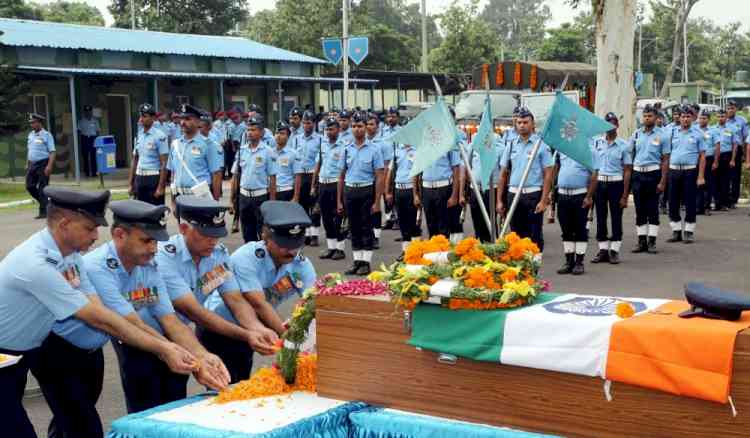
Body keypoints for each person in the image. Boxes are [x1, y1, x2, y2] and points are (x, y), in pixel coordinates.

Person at [0, 187, 197, 437]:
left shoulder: (71, 256)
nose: (96, 235)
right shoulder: (36, 264)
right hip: (5, 353)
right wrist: (166, 349)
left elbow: (96, 307)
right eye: (90, 227)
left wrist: (173, 348)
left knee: (67, 421)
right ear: (64, 224)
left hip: (25, 350)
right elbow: (100, 320)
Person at [85, 199, 230, 414]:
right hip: (95, 343)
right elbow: (131, 323)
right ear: (119, 235)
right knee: (142, 411)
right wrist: (190, 359)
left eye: (155, 241)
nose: (154, 248)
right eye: (146, 241)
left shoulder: (149, 263)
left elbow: (170, 320)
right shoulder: (98, 267)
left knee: (174, 408)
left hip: (138, 336)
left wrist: (201, 355)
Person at [157, 196, 278, 384]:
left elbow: (235, 300)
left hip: (180, 335)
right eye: (206, 234)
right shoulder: (165, 257)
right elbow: (193, 311)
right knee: (147, 403)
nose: (213, 241)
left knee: (176, 395)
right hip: (147, 334)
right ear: (184, 229)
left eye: (217, 234)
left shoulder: (217, 254)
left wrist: (258, 329)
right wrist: (247, 335)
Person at [205, 201, 316, 376]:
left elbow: (314, 304)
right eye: (283, 243)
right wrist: (291, 342)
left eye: (296, 243)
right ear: (265, 236)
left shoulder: (301, 265)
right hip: (219, 326)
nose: (291, 250)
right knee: (223, 387)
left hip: (253, 328)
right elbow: (258, 304)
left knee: (241, 379)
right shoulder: (247, 257)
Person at [496, 107, 554, 256]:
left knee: (534, 234)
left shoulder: (541, 145)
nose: (522, 125)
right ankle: (520, 265)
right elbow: (503, 174)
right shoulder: (510, 145)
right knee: (516, 234)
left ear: (532, 124)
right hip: (513, 194)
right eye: (519, 122)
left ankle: (534, 264)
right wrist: (499, 200)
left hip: (533, 194)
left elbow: (548, 174)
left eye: (525, 122)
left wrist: (544, 200)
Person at [337, 111, 385, 276]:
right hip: (350, 190)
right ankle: (357, 261)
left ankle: (366, 262)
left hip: (366, 190)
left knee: (366, 227)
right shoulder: (346, 149)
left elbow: (380, 176)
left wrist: (377, 201)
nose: (357, 129)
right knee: (354, 227)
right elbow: (342, 176)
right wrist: (339, 200)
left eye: (360, 126)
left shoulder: (374, 149)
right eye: (354, 126)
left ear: (365, 128)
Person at [591, 113, 632, 265]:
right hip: (600, 184)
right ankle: (602, 250)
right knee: (600, 217)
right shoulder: (597, 143)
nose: (610, 127)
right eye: (607, 124)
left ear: (617, 126)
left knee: (616, 218)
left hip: (616, 184)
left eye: (613, 124)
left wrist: (625, 194)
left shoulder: (624, 145)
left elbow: (627, 170)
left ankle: (614, 250)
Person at [629, 105, 670, 254]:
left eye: (650, 116)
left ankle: (652, 241)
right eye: (645, 116)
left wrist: (663, 181)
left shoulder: (663, 135)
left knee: (652, 209)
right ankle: (641, 242)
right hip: (638, 175)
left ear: (656, 117)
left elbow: (665, 160)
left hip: (654, 175)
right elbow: (629, 154)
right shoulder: (636, 134)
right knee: (639, 209)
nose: (647, 118)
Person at [554, 141, 598, 275]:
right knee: (566, 229)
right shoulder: (562, 149)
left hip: (580, 195)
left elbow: (594, 175)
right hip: (562, 194)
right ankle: (569, 261)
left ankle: (579, 262)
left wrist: (589, 196)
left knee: (580, 230)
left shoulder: (589, 150)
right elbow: (556, 169)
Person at [665, 106, 706, 244]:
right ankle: (676, 231)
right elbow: (667, 154)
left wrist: (700, 176)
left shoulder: (698, 133)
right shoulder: (672, 132)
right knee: (673, 201)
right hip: (674, 170)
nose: (685, 119)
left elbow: (702, 156)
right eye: (683, 116)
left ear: (692, 118)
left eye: (688, 116)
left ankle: (689, 231)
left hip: (690, 171)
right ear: (679, 118)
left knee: (690, 201)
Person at [233, 116, 277, 243]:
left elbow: (272, 177)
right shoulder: (241, 151)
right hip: (244, 197)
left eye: (253, 129)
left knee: (262, 233)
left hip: (260, 198)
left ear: (261, 132)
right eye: (248, 130)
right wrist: (233, 198)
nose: (250, 132)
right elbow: (236, 175)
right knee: (247, 233)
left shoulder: (268, 151)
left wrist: (272, 202)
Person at [166, 104, 223, 202]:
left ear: (198, 122)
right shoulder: (175, 144)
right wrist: (173, 201)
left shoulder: (208, 145)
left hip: (200, 197)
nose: (183, 122)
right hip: (180, 196)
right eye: (182, 119)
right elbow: (173, 174)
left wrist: (215, 203)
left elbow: (216, 175)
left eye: (188, 119)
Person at [313, 117, 346, 260]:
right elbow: (318, 164)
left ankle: (340, 248)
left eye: (331, 129)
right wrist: (314, 184)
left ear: (338, 130)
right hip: (323, 184)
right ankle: (331, 247)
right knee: (326, 217)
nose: (328, 132)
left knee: (337, 217)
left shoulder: (344, 146)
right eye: (327, 129)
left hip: (335, 184)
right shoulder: (323, 145)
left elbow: (344, 170)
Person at [129, 103, 169, 205]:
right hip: (139, 178)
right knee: (140, 212)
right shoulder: (139, 135)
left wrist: (161, 187)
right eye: (141, 116)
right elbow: (135, 159)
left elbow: (164, 163)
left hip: (153, 178)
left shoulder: (160, 136)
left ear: (153, 118)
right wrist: (131, 183)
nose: (141, 119)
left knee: (155, 213)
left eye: (145, 116)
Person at [293, 111, 323, 247]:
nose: (306, 125)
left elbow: (321, 160)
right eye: (304, 123)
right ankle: (306, 233)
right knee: (302, 206)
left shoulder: (320, 139)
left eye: (309, 123)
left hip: (313, 175)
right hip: (300, 175)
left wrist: (316, 180)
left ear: (314, 124)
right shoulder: (296, 139)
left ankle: (315, 234)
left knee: (314, 206)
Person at [25, 113, 56, 219]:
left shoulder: (47, 135)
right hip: (32, 164)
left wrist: (49, 166)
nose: (32, 125)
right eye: (31, 123)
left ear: (39, 123)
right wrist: (27, 164)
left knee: (43, 188)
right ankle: (46, 204)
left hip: (43, 163)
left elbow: (52, 152)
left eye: (33, 122)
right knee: (29, 186)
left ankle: (43, 212)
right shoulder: (30, 135)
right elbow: (30, 150)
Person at [366, 112, 389, 249]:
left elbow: (386, 166)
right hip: (365, 180)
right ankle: (367, 233)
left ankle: (376, 236)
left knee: (376, 207)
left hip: (378, 180)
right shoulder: (363, 141)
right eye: (367, 124)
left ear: (377, 126)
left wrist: (384, 184)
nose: (369, 127)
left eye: (371, 124)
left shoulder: (383, 143)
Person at [713, 109, 740, 211]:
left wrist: (733, 159)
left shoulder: (732, 128)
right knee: (715, 181)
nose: (721, 118)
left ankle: (724, 203)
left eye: (723, 116)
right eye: (719, 116)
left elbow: (735, 145)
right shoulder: (712, 129)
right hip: (715, 156)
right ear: (716, 117)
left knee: (725, 181)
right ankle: (717, 203)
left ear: (726, 117)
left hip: (726, 156)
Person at [380, 107, 401, 230]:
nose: (390, 118)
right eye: (389, 116)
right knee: (385, 191)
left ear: (397, 117)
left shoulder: (402, 130)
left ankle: (398, 218)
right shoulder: (383, 131)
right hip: (385, 164)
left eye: (393, 116)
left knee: (395, 192)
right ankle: (389, 217)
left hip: (396, 164)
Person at [271, 121, 303, 202]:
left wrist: (296, 197)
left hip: (286, 192)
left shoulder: (293, 154)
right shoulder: (269, 153)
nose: (278, 136)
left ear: (288, 136)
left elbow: (298, 177)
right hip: (271, 192)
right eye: (277, 133)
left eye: (282, 133)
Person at [695, 110, 720, 215]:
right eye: (700, 118)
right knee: (696, 184)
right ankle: (698, 207)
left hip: (709, 160)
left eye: (704, 118)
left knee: (707, 184)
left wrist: (715, 161)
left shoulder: (713, 131)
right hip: (696, 160)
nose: (702, 120)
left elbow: (717, 146)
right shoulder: (694, 130)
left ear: (708, 120)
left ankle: (706, 207)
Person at [725, 101, 748, 209]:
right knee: (724, 175)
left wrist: (744, 154)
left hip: (737, 150)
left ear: (736, 109)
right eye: (728, 108)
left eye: (732, 108)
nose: (730, 110)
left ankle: (733, 199)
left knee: (735, 176)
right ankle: (724, 199)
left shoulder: (742, 121)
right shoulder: (723, 120)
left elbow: (745, 138)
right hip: (725, 150)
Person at [77, 105, 100, 178]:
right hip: (85, 138)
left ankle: (94, 172)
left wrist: (97, 140)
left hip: (93, 138)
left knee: (93, 156)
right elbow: (79, 131)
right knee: (85, 156)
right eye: (86, 112)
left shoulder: (95, 121)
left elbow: (98, 131)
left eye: (89, 112)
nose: (88, 113)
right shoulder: (81, 121)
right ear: (84, 113)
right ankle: (87, 172)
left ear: (91, 112)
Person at [226, 110, 246, 179]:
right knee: (231, 159)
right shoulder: (231, 126)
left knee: (239, 158)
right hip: (232, 143)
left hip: (240, 143)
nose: (236, 120)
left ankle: (238, 172)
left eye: (237, 119)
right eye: (234, 119)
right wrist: (233, 147)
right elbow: (230, 137)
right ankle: (230, 174)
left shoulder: (242, 126)